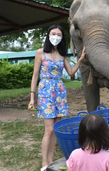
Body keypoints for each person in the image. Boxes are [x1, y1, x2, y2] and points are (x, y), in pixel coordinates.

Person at [28, 24, 86, 171]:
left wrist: (80, 60)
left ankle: (51, 160)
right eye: (53, 33)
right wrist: (32, 97)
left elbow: (71, 73)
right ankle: (44, 163)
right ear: (48, 35)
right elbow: (35, 75)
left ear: (62, 37)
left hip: (59, 92)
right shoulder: (40, 53)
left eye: (59, 35)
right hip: (45, 91)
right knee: (48, 130)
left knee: (55, 129)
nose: (56, 36)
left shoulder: (62, 55)